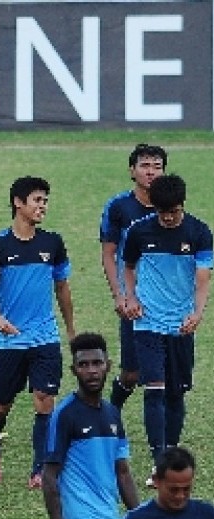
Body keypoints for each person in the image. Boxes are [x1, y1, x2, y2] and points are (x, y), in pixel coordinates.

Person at [0, 176, 75, 488]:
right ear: (19, 203)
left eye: (45, 201)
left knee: (45, 399)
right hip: (10, 341)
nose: (42, 206)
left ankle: (39, 469)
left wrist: (71, 330)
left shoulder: (53, 243)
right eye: (37, 200)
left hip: (45, 338)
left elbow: (62, 288)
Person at [122, 174, 212, 468]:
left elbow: (202, 279)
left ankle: (170, 450)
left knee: (175, 393)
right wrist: (131, 298)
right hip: (147, 323)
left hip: (181, 325)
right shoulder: (139, 232)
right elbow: (129, 266)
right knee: (154, 390)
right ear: (155, 209)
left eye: (174, 211)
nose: (170, 218)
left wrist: (197, 313)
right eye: (163, 213)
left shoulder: (199, 232)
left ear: (182, 205)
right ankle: (158, 458)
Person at [42, 332, 139, 519]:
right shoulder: (65, 415)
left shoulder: (113, 414)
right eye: (83, 365)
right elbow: (49, 477)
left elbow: (123, 473)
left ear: (108, 365)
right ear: (73, 370)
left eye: (97, 363)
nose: (91, 370)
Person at [99, 144, 167, 410]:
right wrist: (121, 296)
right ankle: (112, 409)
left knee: (167, 375)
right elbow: (108, 254)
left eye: (157, 166)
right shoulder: (119, 207)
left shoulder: (171, 206)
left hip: (166, 300)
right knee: (132, 372)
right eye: (145, 166)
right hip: (134, 300)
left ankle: (164, 439)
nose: (151, 172)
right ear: (132, 170)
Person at [110, 446, 214, 519]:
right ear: (156, 481)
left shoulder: (207, 516)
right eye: (173, 490)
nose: (180, 496)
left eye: (186, 489)